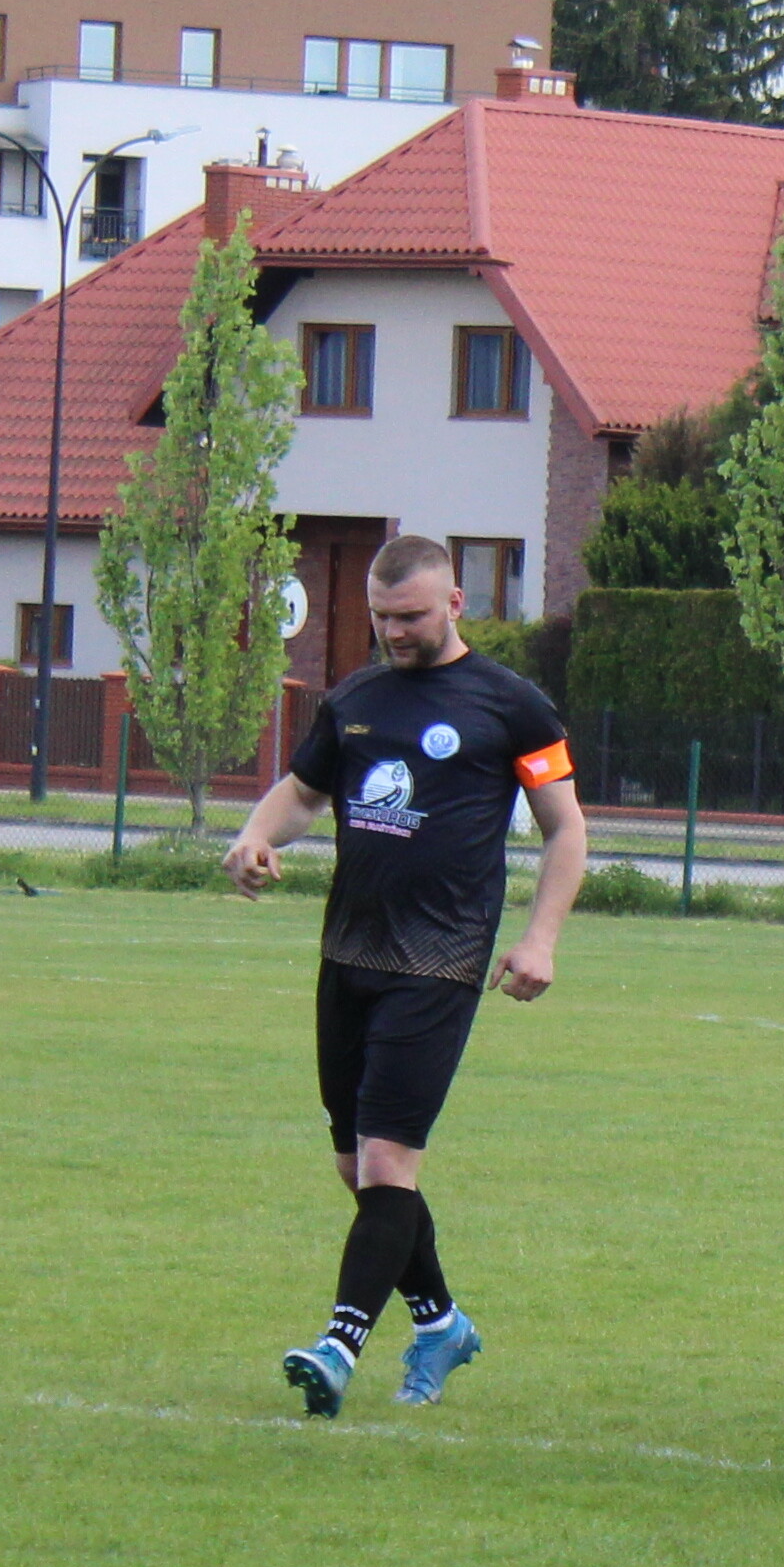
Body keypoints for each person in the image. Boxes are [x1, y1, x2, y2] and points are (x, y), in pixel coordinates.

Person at [227, 531, 587, 1416]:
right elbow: (305, 792)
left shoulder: (514, 706)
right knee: (359, 1169)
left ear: (456, 603)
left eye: (412, 617)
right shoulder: (355, 698)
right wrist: (256, 836)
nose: (394, 632)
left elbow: (566, 829)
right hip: (347, 954)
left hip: (440, 961)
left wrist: (539, 940)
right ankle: (441, 1323)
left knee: (389, 1160)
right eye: (381, 617)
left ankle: (339, 1346)